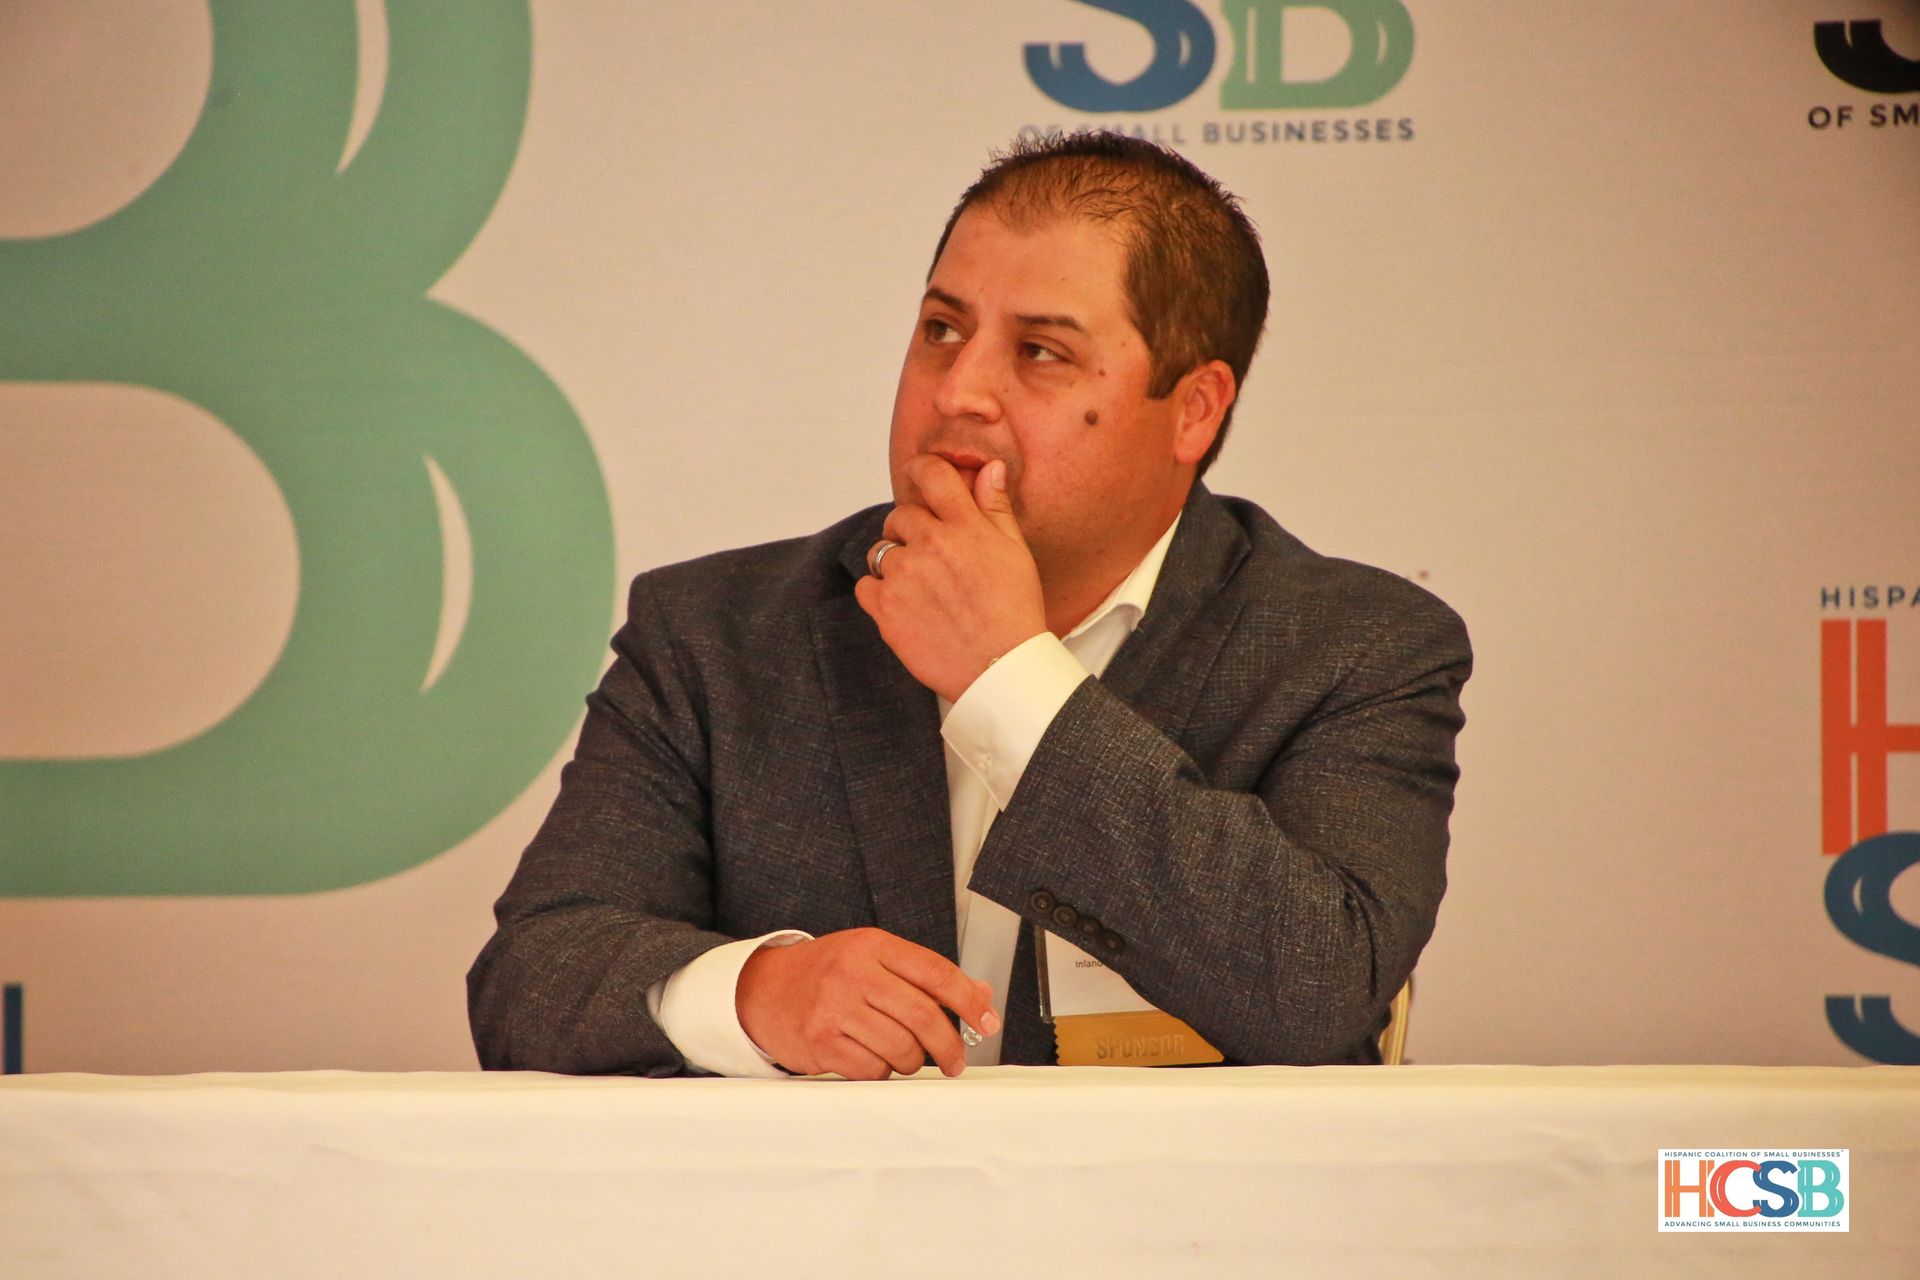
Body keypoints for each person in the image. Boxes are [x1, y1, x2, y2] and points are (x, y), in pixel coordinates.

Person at [467, 132, 1471, 1080]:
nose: (961, 391)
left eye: (1041, 351)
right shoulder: (719, 635)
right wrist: (756, 992)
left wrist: (1010, 678)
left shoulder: (1353, 648)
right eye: (942, 330)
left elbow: (1319, 989)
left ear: (1195, 409)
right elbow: (532, 977)